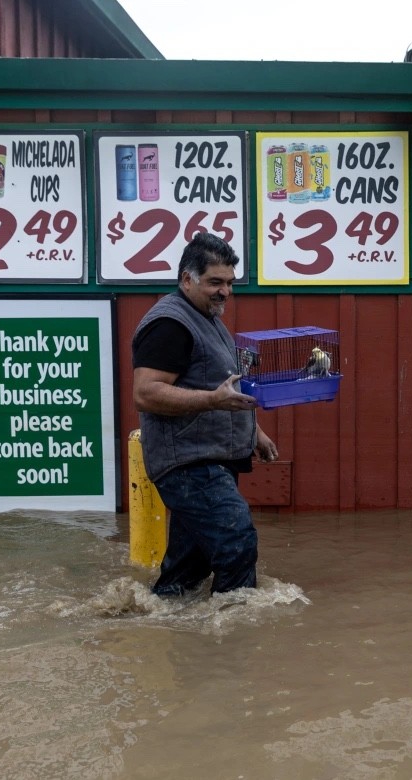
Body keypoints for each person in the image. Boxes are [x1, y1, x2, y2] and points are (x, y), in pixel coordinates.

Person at [131, 232, 278, 596]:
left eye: (229, 283)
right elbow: (146, 393)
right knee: (236, 540)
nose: (225, 291)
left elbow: (220, 385)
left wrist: (254, 432)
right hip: (188, 464)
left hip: (209, 458)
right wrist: (212, 401)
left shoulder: (207, 318)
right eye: (215, 282)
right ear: (187, 279)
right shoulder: (170, 323)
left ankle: (155, 622)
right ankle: (233, 635)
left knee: (188, 571)